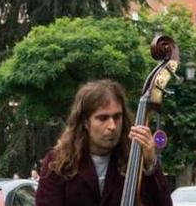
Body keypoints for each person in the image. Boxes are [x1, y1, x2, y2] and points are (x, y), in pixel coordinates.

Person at [35, 79, 173, 206]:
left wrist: (151, 165)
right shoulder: (58, 163)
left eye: (117, 117)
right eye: (103, 118)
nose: (112, 126)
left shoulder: (135, 161)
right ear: (85, 122)